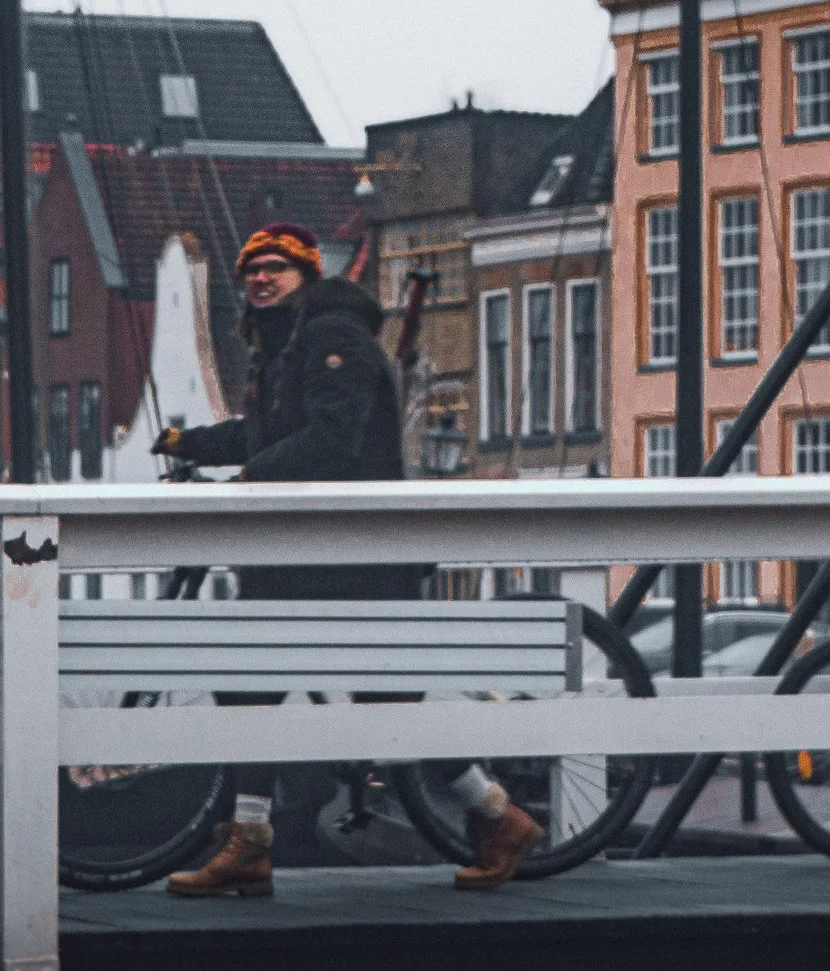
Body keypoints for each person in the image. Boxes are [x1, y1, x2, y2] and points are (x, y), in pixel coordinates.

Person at [150, 221, 543, 896]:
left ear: (307, 275)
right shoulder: (282, 347)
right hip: (311, 554)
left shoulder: (331, 335)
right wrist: (192, 444)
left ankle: (492, 815)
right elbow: (267, 432)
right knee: (337, 693)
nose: (261, 278)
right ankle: (492, 815)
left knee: (318, 689)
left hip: (350, 557)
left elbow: (334, 435)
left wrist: (250, 481)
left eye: (276, 267)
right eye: (251, 270)